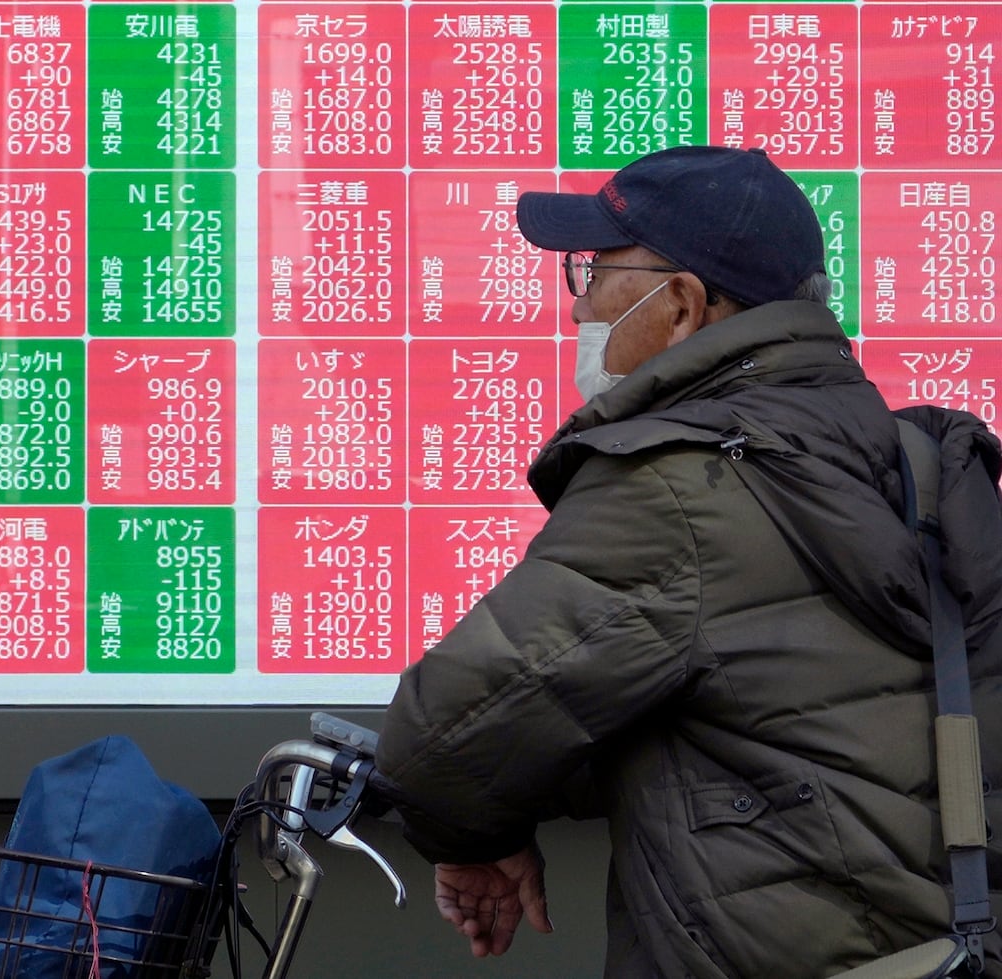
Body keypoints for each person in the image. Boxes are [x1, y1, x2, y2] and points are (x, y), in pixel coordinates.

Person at [375, 146, 1002, 977]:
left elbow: (441, 742)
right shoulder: (921, 466)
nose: (578, 306)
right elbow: (777, 712)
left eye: (594, 271)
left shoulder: (676, 487)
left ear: (679, 307)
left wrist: (479, 838)